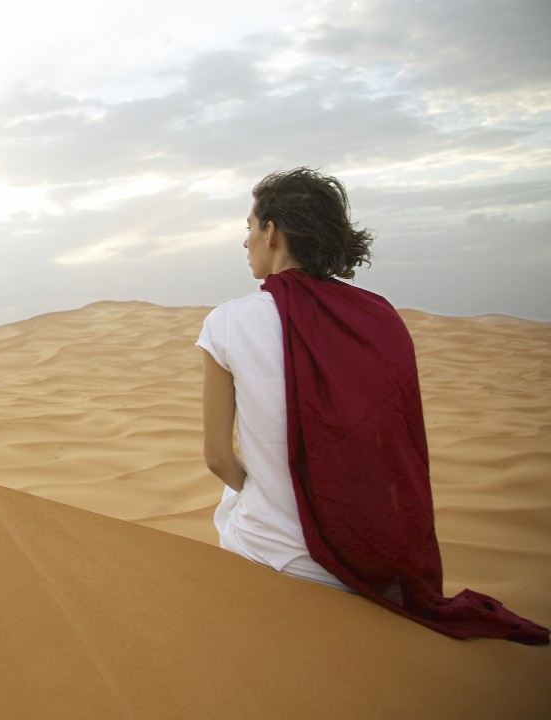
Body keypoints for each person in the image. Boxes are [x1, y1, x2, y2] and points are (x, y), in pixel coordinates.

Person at [196, 167, 548, 643]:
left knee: (230, 506)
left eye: (249, 227)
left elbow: (217, 457)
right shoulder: (379, 317)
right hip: (371, 564)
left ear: (272, 231)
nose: (246, 242)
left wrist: (268, 497)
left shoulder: (228, 322)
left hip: (273, 553)